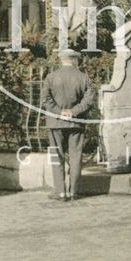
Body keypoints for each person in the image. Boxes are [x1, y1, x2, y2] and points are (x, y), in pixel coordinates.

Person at [41, 49, 95, 201]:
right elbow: (89, 100)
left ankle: (60, 192)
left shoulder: (51, 77)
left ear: (61, 60)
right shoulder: (84, 77)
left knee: (56, 156)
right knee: (75, 157)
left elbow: (45, 99)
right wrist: (74, 111)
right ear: (75, 60)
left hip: (55, 122)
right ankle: (74, 191)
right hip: (76, 123)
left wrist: (60, 111)